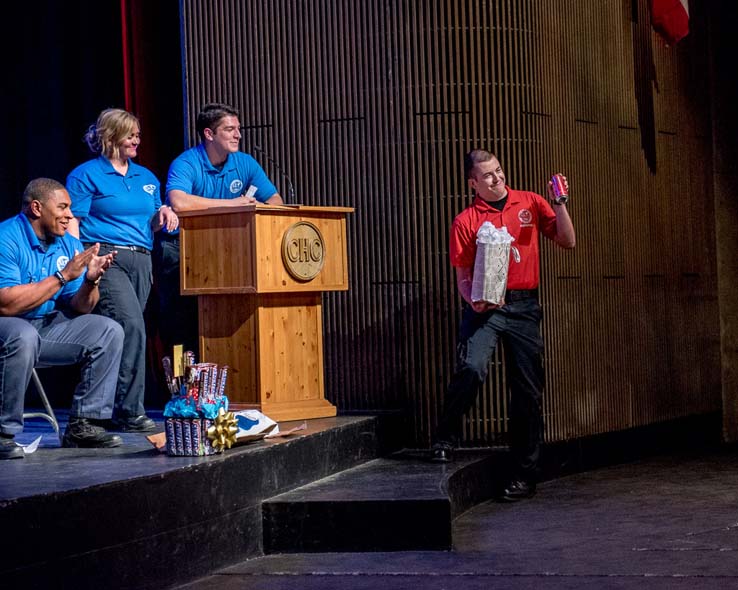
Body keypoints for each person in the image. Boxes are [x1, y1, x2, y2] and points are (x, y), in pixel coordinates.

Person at [430, 149, 576, 502]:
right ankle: (446, 435)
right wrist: (473, 300)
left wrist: (560, 204)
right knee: (472, 367)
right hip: (486, 305)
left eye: (498, 171)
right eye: (488, 176)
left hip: (523, 305)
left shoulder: (530, 202)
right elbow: (463, 277)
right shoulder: (466, 220)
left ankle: (525, 474)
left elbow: (568, 240)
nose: (497, 179)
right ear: (473, 183)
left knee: (527, 390)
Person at [66, 108, 179, 432]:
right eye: (130, 134)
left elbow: (153, 220)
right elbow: (75, 220)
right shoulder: (86, 175)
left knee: (130, 331)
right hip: (108, 259)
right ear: (111, 136)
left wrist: (163, 216)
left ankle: (115, 406)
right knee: (131, 326)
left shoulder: (146, 178)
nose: (137, 140)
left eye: (138, 135)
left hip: (142, 259)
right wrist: (82, 260)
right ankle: (128, 411)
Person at [0, 178, 125, 459]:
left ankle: (84, 426)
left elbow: (81, 308)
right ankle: (2, 432)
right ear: (36, 208)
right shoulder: (6, 238)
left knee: (108, 330)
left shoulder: (68, 243)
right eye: (63, 208)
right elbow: (7, 304)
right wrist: (63, 276)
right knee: (22, 334)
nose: (70, 215)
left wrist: (90, 282)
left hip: (44, 327)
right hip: (8, 328)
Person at [156, 102, 282, 352]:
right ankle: (182, 384)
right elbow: (179, 202)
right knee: (182, 323)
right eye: (230, 129)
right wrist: (232, 204)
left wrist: (254, 208)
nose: (238, 135)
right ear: (209, 134)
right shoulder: (187, 162)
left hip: (225, 251)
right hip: (182, 249)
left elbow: (275, 201)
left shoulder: (244, 163)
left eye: (238, 128)